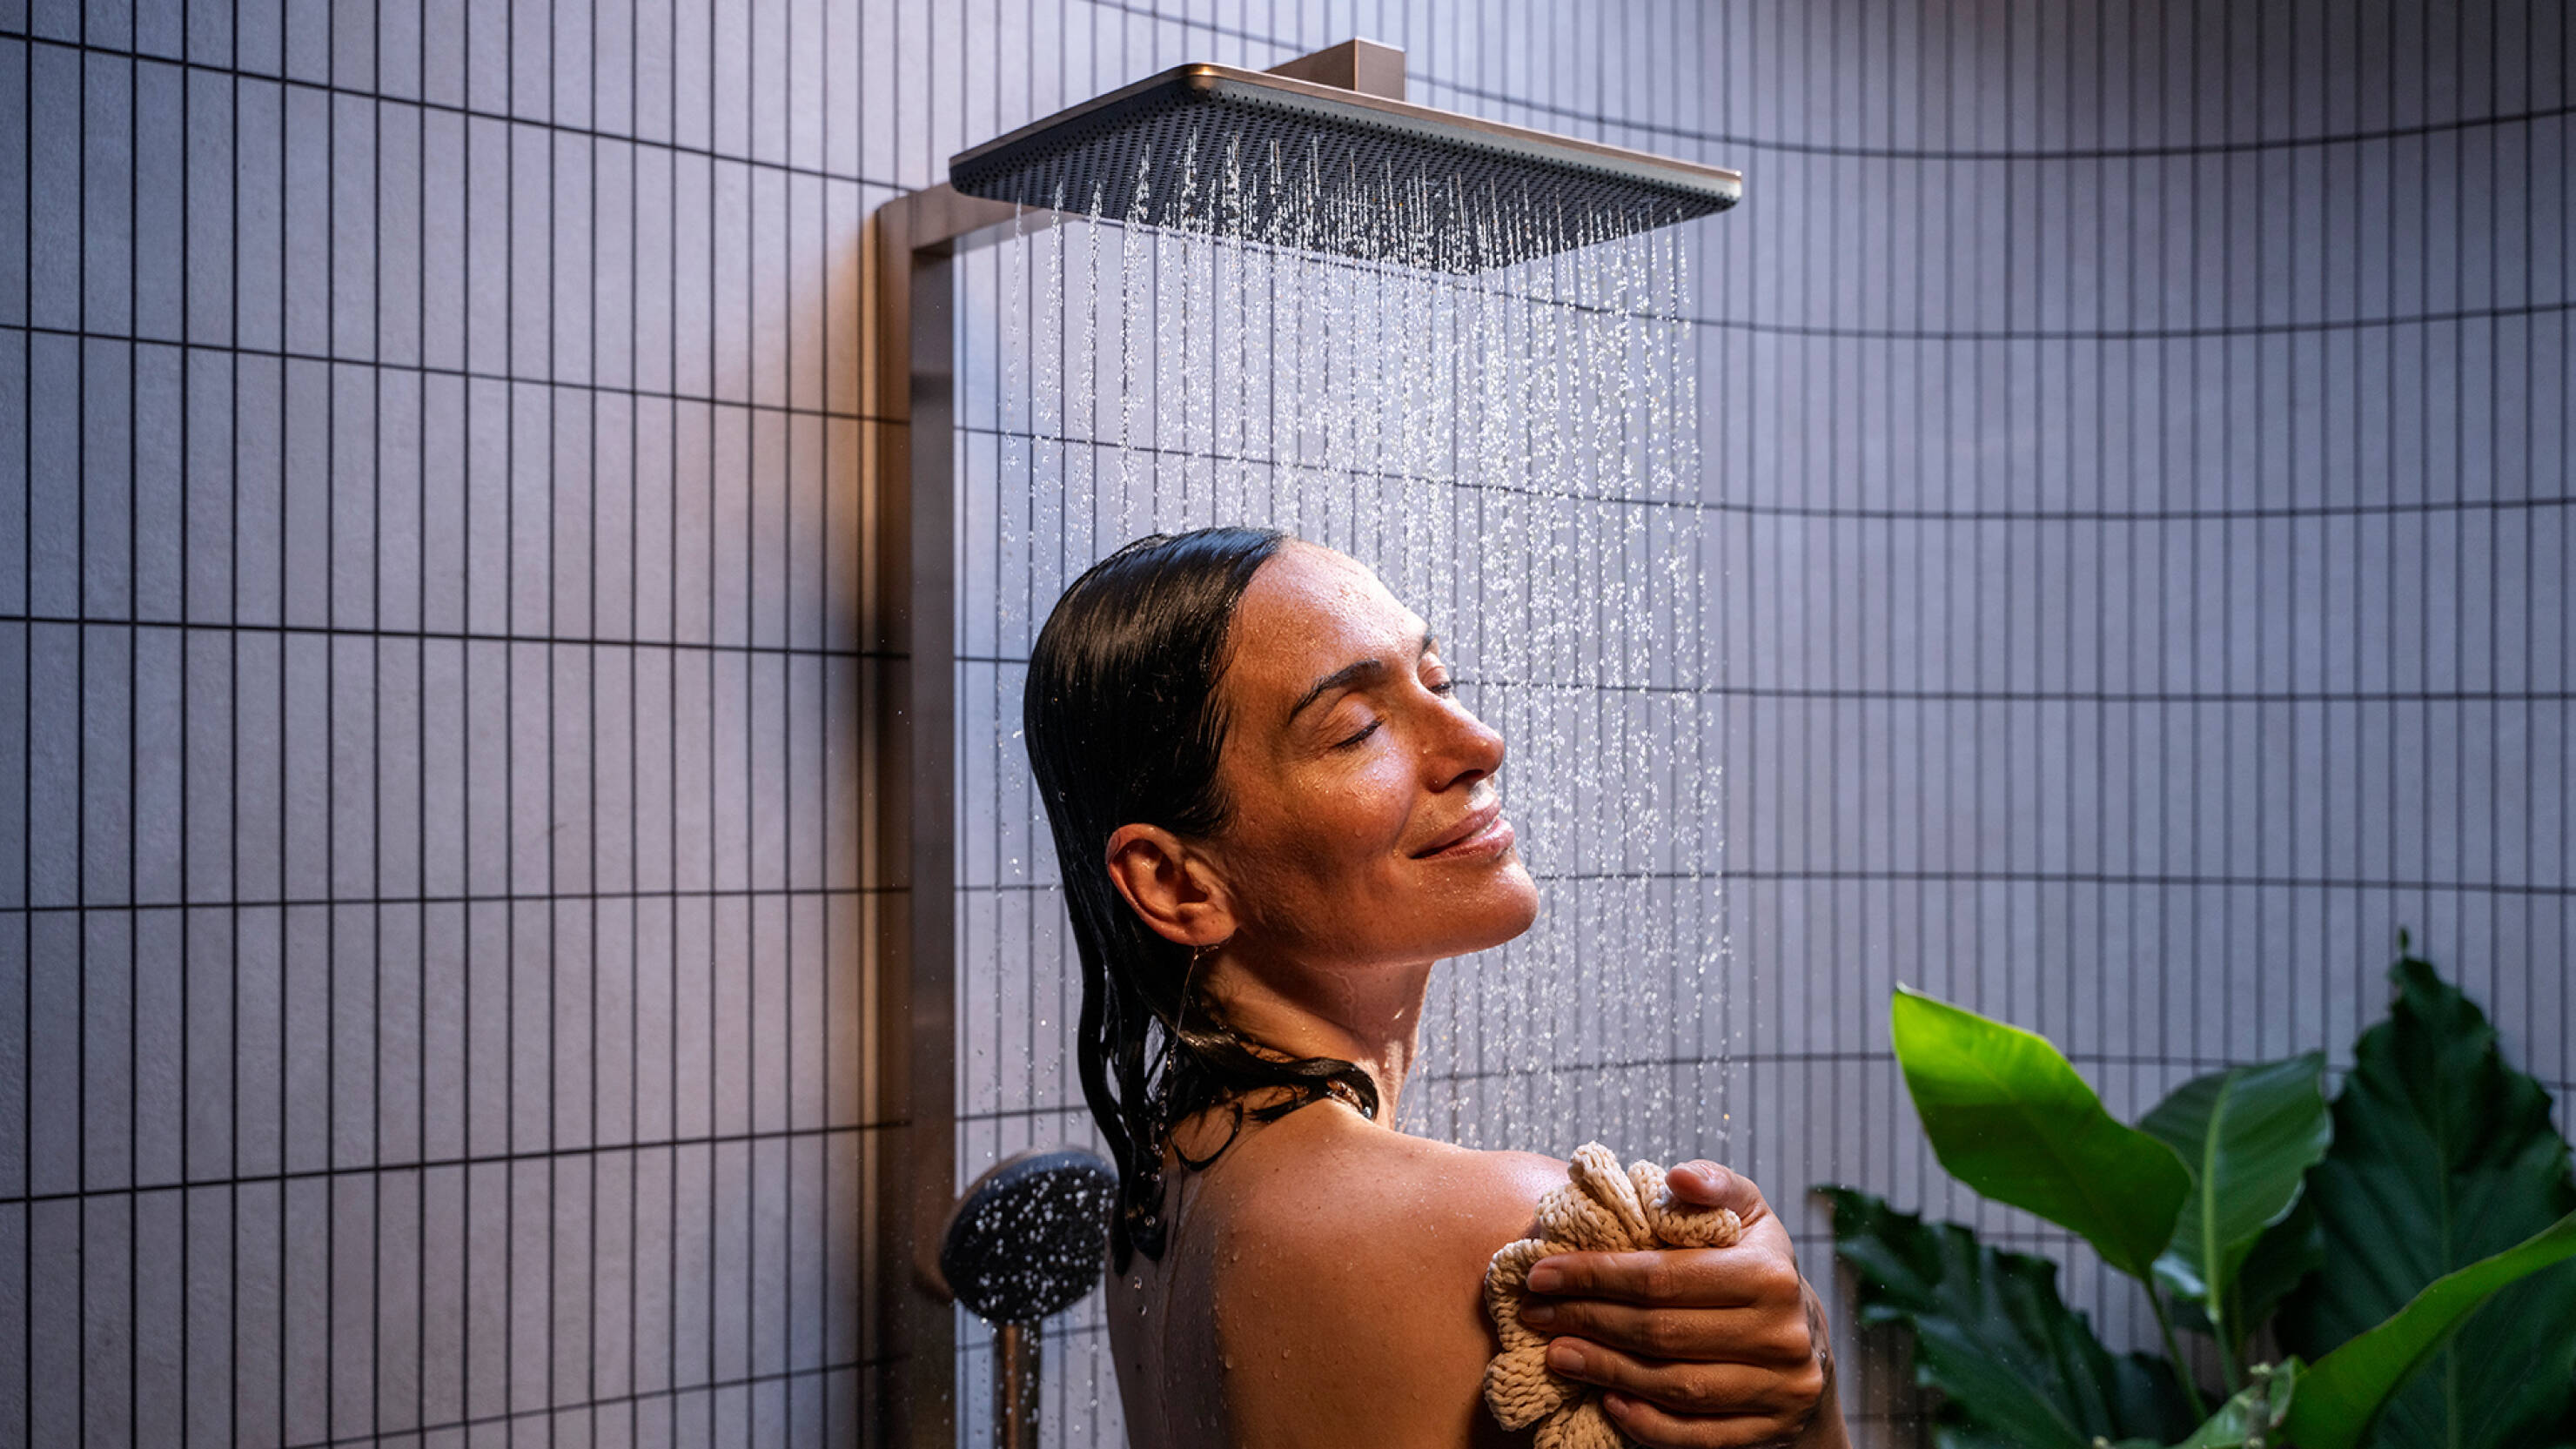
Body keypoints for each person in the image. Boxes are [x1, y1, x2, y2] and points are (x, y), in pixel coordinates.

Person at [1023, 527, 1848, 1449]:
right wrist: (1803, 1404)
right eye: (1358, 728)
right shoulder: (1506, 1241)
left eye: (1437, 683)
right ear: (1178, 883)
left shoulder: (1163, 1201)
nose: (1478, 743)